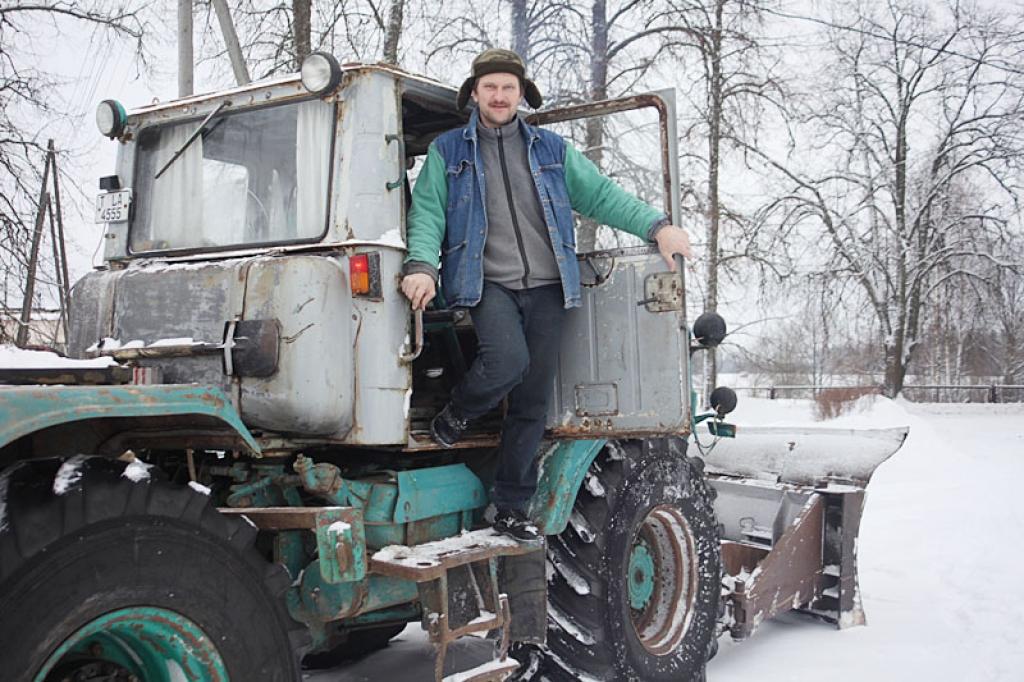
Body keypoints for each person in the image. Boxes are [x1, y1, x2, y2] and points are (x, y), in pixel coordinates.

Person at [401, 48, 693, 540]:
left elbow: (601, 196)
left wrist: (657, 226)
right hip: (486, 282)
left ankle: (512, 507)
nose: (499, 95)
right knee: (506, 363)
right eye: (490, 86)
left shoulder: (550, 150)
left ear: (521, 95)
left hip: (549, 287)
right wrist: (422, 266)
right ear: (475, 93)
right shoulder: (448, 152)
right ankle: (458, 411)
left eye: (508, 87)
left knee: (533, 402)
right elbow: (427, 212)